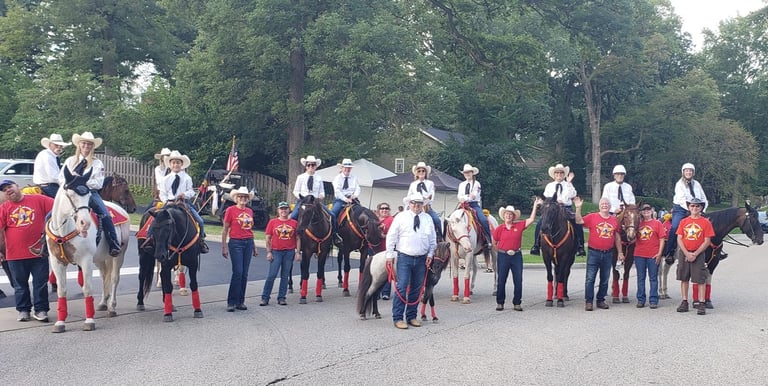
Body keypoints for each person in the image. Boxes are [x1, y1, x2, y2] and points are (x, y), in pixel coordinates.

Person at [59, 132, 121, 256]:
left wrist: (82, 182)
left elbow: (98, 183)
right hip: (71, 193)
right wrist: (71, 184)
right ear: (79, 145)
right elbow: (61, 178)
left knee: (105, 214)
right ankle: (45, 242)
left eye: (89, 144)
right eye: (84, 143)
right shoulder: (70, 161)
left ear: (92, 147)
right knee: (51, 214)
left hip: (89, 192)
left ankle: (113, 243)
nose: (86, 146)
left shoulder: (97, 163)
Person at [0, 179, 53, 322]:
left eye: (10, 186)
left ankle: (41, 310)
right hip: (14, 254)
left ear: (18, 186)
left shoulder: (39, 199)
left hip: (39, 252)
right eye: (4, 190)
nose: (8, 190)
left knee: (40, 284)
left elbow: (57, 209)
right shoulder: (4, 208)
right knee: (19, 286)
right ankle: (23, 310)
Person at [386, 193, 436, 329]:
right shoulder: (401, 217)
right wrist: (389, 255)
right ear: (409, 203)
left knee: (416, 288)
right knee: (401, 287)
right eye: (414, 202)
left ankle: (411, 316)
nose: (416, 205)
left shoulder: (427, 218)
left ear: (422, 205)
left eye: (419, 203)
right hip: (405, 257)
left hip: (421, 258)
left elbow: (432, 239)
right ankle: (397, 318)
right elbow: (391, 236)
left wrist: (430, 254)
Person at [493, 197, 542, 311]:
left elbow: (531, 219)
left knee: (518, 280)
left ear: (513, 216)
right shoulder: (500, 228)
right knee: (501, 280)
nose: (508, 216)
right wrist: (501, 251)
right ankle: (500, 302)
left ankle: (517, 302)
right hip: (503, 256)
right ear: (503, 216)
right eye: (507, 214)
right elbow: (494, 242)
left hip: (516, 255)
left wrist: (535, 206)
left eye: (510, 214)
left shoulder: (519, 226)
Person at [574, 196, 621, 311]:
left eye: (606, 204)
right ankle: (589, 301)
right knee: (590, 278)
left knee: (605, 278)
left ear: (609, 206)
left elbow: (617, 237)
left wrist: (620, 252)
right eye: (602, 204)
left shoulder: (614, 220)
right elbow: (578, 221)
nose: (604, 205)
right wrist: (578, 208)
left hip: (608, 253)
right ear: (599, 206)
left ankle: (601, 300)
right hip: (594, 252)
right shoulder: (592, 217)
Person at [158, 150, 209, 253]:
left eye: (178, 163)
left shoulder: (186, 178)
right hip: (169, 203)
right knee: (156, 219)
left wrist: (185, 194)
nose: (176, 165)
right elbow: (162, 193)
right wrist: (166, 201)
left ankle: (201, 240)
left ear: (181, 165)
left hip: (183, 203)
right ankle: (150, 237)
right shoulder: (165, 179)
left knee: (200, 221)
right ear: (170, 165)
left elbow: (191, 191)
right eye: (174, 163)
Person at [530, 163, 585, 256]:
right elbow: (546, 199)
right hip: (552, 209)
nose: (559, 175)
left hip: (565, 208)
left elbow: (572, 195)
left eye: (561, 173)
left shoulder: (568, 184)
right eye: (557, 173)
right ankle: (536, 244)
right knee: (540, 222)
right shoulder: (549, 186)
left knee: (577, 222)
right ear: (554, 175)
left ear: (564, 174)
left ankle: (580, 245)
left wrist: (569, 183)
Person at [221, 187, 259, 311]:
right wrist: (224, 246)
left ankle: (240, 301)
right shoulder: (230, 210)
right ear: (236, 198)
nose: (242, 199)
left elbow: (250, 230)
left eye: (245, 197)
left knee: (244, 274)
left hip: (248, 242)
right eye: (240, 197)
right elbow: (225, 229)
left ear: (248, 199)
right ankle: (231, 301)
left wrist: (254, 246)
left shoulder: (249, 211)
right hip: (236, 242)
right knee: (238, 272)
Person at [675, 197, 714, 315]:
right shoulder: (683, 222)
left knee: (700, 278)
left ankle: (701, 303)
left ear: (701, 208)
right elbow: (679, 238)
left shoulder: (705, 222)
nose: (694, 208)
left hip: (699, 253)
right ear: (689, 207)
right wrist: (686, 253)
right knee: (684, 277)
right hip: (684, 252)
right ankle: (684, 301)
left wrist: (695, 254)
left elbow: (707, 240)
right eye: (692, 206)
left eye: (697, 206)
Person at [663, 163, 708, 259]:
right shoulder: (679, 184)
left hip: (697, 209)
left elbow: (703, 198)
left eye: (691, 171)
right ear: (683, 172)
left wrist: (703, 209)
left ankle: (714, 250)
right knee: (675, 227)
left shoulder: (697, 184)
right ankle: (670, 252)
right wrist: (691, 209)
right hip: (681, 209)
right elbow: (682, 199)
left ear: (693, 173)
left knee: (709, 223)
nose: (689, 172)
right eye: (686, 170)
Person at [261, 201, 299, 306]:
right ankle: (265, 297)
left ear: (289, 210)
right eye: (281, 209)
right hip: (276, 251)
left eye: (285, 209)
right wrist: (268, 252)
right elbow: (268, 238)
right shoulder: (273, 222)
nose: (284, 211)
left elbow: (298, 238)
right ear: (278, 210)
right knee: (271, 275)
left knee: (285, 275)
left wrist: (298, 252)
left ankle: (282, 297)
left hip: (289, 252)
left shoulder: (294, 223)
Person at [634, 203, 666, 309]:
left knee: (653, 278)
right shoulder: (638, 224)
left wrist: (659, 253)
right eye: (644, 210)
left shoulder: (657, 223)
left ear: (652, 211)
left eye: (648, 209)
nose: (646, 211)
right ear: (641, 213)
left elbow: (662, 239)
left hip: (653, 254)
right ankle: (641, 299)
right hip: (639, 254)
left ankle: (653, 299)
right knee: (640, 278)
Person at [457, 164, 492, 249]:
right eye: (465, 173)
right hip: (462, 205)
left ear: (472, 173)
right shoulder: (461, 184)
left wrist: (465, 197)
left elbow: (473, 196)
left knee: (483, 219)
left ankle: (488, 239)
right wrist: (466, 197)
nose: (467, 174)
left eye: (469, 172)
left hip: (474, 205)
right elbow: (459, 196)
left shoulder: (477, 184)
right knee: (452, 218)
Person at [406, 162, 442, 238]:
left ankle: (440, 237)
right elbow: (409, 196)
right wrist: (406, 207)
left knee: (437, 220)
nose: (421, 172)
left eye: (423, 171)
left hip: (426, 206)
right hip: (414, 206)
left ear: (426, 173)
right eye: (419, 171)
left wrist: (426, 201)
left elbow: (431, 196)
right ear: (416, 173)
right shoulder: (413, 184)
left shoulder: (430, 183)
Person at [330, 158, 360, 245]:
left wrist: (354, 195)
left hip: (353, 199)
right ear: (342, 168)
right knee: (332, 214)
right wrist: (345, 199)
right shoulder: (337, 178)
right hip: (341, 200)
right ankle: (334, 234)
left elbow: (358, 188)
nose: (347, 169)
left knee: (362, 212)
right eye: (346, 168)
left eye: (349, 168)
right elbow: (337, 191)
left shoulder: (354, 177)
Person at [33, 133, 71, 198]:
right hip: (48, 187)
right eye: (56, 145)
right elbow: (53, 177)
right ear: (50, 145)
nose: (59, 147)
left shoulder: (50, 155)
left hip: (48, 186)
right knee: (68, 199)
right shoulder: (48, 156)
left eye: (61, 146)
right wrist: (68, 182)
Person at [290, 155, 327, 220]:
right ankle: (294, 230)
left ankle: (333, 230)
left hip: (315, 201)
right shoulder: (300, 177)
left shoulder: (319, 178)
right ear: (306, 166)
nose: (311, 167)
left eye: (313, 165)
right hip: (303, 201)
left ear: (316, 166)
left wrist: (320, 196)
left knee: (332, 215)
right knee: (293, 216)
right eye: (308, 165)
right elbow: (295, 191)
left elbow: (322, 192)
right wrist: (303, 198)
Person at [374, 202, 395, 300]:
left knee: (386, 271)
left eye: (386, 208)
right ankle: (376, 292)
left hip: (386, 249)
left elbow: (394, 234)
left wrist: (384, 236)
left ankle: (386, 292)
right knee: (375, 272)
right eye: (382, 208)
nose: (384, 210)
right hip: (374, 248)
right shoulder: (374, 220)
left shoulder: (391, 220)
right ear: (379, 210)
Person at [483, 208, 498, 272]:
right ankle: (489, 266)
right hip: (486, 237)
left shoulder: (491, 219)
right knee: (486, 252)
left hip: (492, 236)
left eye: (486, 215)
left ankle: (494, 265)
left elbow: (496, 228)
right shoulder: (484, 219)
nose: (485, 216)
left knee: (493, 252)